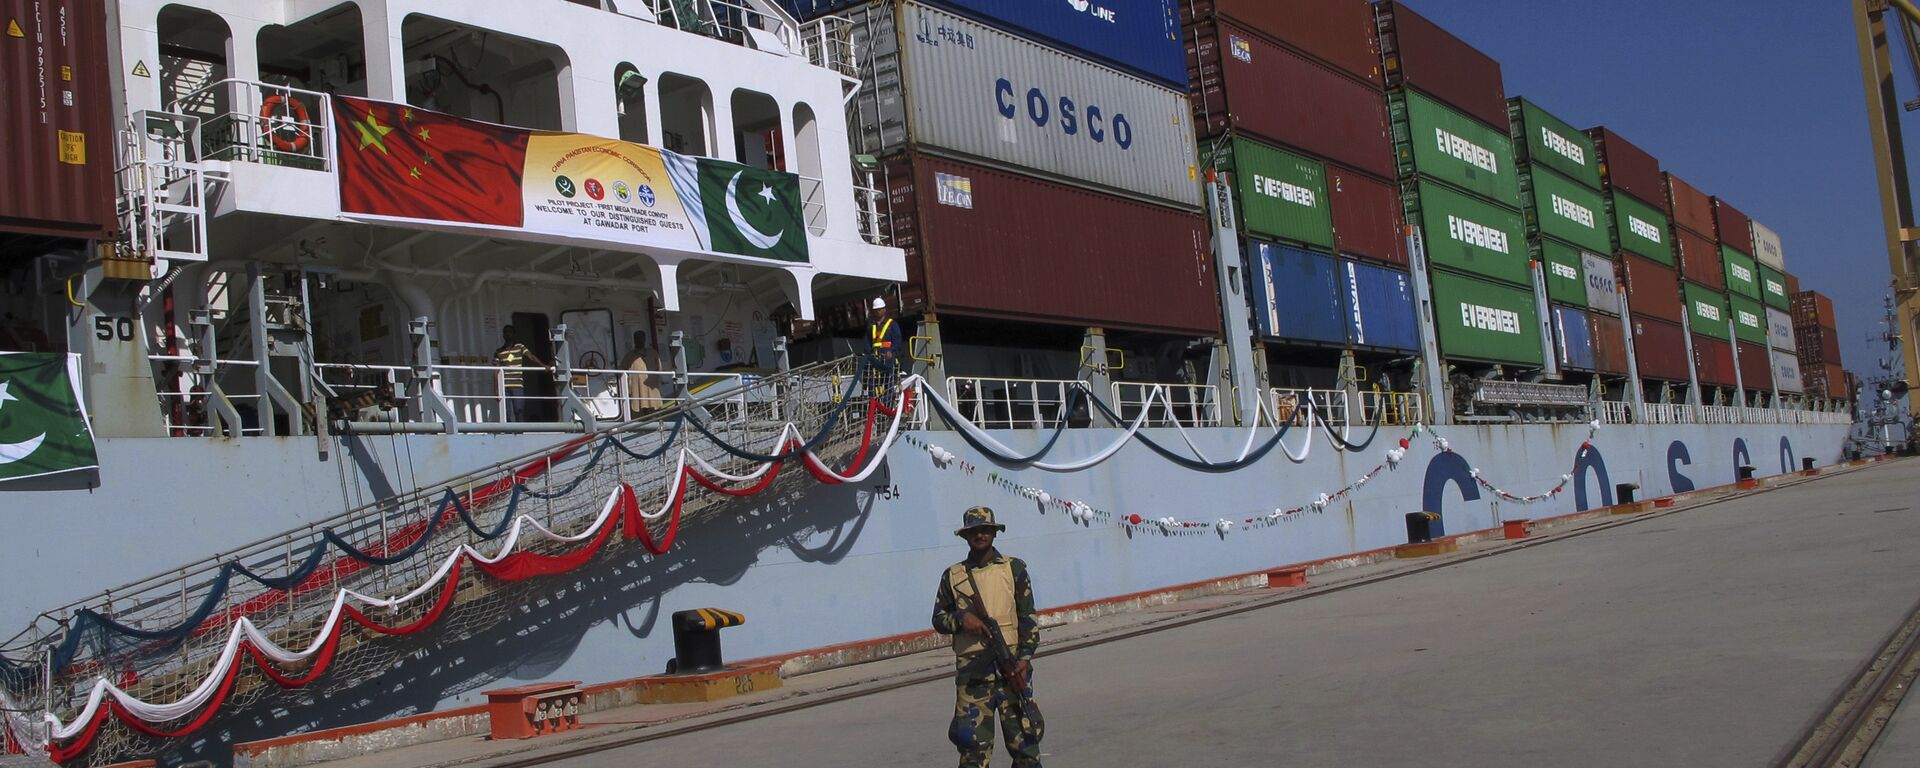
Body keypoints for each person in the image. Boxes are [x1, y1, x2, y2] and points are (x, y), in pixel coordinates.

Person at [932, 506, 1042, 768]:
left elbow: (1028, 619)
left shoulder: (1014, 569)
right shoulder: (953, 576)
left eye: (985, 530)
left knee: (1026, 747)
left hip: (1012, 669)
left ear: (994, 533)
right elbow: (938, 619)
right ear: (966, 536)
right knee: (973, 751)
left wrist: (1024, 659)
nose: (980, 535)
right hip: (973, 676)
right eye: (974, 531)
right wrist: (962, 619)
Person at [492, 325, 547, 423]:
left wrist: (543, 365)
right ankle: (508, 431)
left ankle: (519, 430)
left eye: (509, 332)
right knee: (506, 413)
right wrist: (496, 389)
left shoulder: (520, 347)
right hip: (504, 386)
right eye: (505, 332)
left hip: (517, 385)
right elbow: (496, 371)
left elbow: (531, 357)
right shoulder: (498, 352)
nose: (507, 334)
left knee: (519, 410)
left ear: (513, 334)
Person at [620, 330, 667, 417]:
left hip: (651, 386)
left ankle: (656, 421)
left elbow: (659, 368)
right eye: (637, 338)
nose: (639, 340)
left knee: (655, 408)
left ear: (644, 339)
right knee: (639, 408)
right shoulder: (630, 355)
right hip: (637, 387)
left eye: (641, 338)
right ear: (634, 340)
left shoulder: (652, 353)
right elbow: (622, 369)